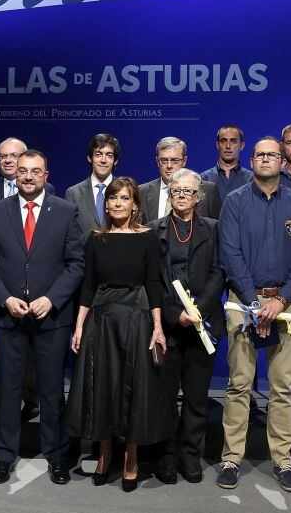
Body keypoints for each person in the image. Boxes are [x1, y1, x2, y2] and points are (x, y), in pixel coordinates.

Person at [0, 150, 84, 486]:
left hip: (51, 318)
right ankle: (4, 456)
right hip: (8, 318)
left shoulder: (66, 211)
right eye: (23, 171)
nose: (29, 177)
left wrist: (51, 299)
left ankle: (56, 457)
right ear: (14, 175)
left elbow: (76, 263)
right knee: (7, 390)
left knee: (51, 391)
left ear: (46, 175)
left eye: (36, 171)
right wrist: (5, 299)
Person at [217, 136, 291, 493]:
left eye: (272, 154)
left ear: (281, 161)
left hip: (287, 304)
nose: (265, 159)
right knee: (239, 383)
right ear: (252, 160)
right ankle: (231, 458)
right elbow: (230, 254)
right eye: (259, 154)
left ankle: (283, 461)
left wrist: (282, 298)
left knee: (282, 386)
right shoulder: (235, 201)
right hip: (243, 302)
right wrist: (255, 302)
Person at [67, 176, 172, 492]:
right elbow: (87, 284)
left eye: (124, 198)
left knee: (133, 388)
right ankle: (104, 453)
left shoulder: (148, 238)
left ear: (135, 204)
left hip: (136, 319)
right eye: (112, 198)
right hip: (101, 320)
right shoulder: (96, 238)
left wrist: (158, 326)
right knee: (102, 387)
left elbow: (154, 283)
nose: (117, 203)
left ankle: (130, 456)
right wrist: (79, 325)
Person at [148, 168, 225, 485]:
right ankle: (166, 457)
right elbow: (151, 279)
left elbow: (220, 272)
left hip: (203, 324)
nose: (181, 195)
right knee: (165, 397)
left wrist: (199, 310)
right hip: (169, 326)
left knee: (196, 396)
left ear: (198, 197)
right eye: (175, 191)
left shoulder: (214, 229)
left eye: (187, 191)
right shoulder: (154, 230)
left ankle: (190, 456)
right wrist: (174, 313)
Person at [0, 137, 56, 230]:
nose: (7, 160)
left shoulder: (44, 188)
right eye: (3, 156)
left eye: (14, 155)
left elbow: (48, 226)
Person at [138, 137, 221, 223]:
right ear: (157, 161)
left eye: (175, 161)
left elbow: (216, 228)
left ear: (184, 161)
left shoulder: (208, 190)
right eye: (164, 160)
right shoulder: (141, 192)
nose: (169, 166)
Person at [65, 133, 120, 236]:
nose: (103, 160)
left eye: (109, 155)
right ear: (90, 158)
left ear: (115, 160)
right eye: (98, 154)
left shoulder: (125, 191)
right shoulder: (73, 194)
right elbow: (68, 233)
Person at [200, 124, 252, 201]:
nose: (228, 146)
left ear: (241, 146)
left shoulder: (251, 179)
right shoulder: (203, 178)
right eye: (223, 141)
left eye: (233, 141)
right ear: (217, 145)